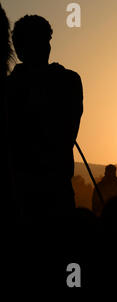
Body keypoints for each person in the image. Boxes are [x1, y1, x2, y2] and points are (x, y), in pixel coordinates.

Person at [5, 15, 83, 220]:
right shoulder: (67, 81)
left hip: (50, 191)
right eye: (40, 42)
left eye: (46, 42)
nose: (46, 48)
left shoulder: (67, 81)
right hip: (28, 191)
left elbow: (66, 135)